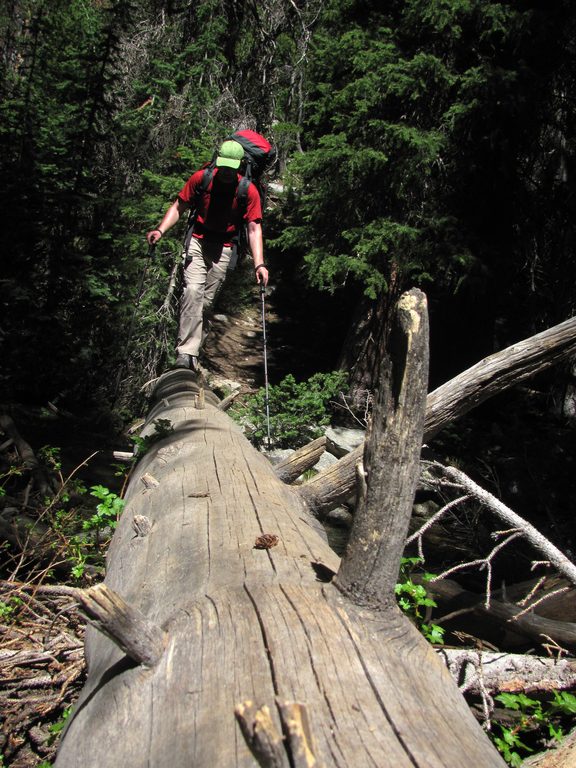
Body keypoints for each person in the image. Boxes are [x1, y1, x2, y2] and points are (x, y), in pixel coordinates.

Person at [146, 139, 269, 371]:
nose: (225, 173)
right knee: (192, 291)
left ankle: (194, 353)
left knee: (205, 304)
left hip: (224, 247)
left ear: (239, 166)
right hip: (197, 241)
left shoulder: (247, 191)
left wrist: (259, 264)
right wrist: (160, 230)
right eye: (222, 167)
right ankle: (185, 353)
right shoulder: (201, 179)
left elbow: (254, 228)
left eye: (230, 169)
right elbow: (178, 206)